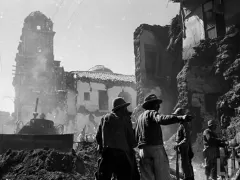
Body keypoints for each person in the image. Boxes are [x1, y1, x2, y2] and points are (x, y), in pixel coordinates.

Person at [135, 94, 192, 180]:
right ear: (153, 105)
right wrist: (181, 118)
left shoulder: (139, 118)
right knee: (163, 177)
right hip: (156, 150)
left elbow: (136, 137)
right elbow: (161, 119)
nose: (159, 106)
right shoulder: (152, 113)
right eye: (157, 104)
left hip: (143, 151)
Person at [95, 97, 138, 180]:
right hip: (122, 154)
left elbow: (98, 137)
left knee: (103, 177)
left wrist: (101, 148)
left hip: (107, 154)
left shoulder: (104, 118)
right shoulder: (125, 118)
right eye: (125, 107)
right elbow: (132, 141)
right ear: (122, 108)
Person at [173, 108, 194, 180]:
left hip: (186, 150)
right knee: (185, 167)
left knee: (186, 168)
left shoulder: (184, 125)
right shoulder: (182, 125)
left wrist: (178, 145)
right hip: (184, 150)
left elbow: (186, 139)